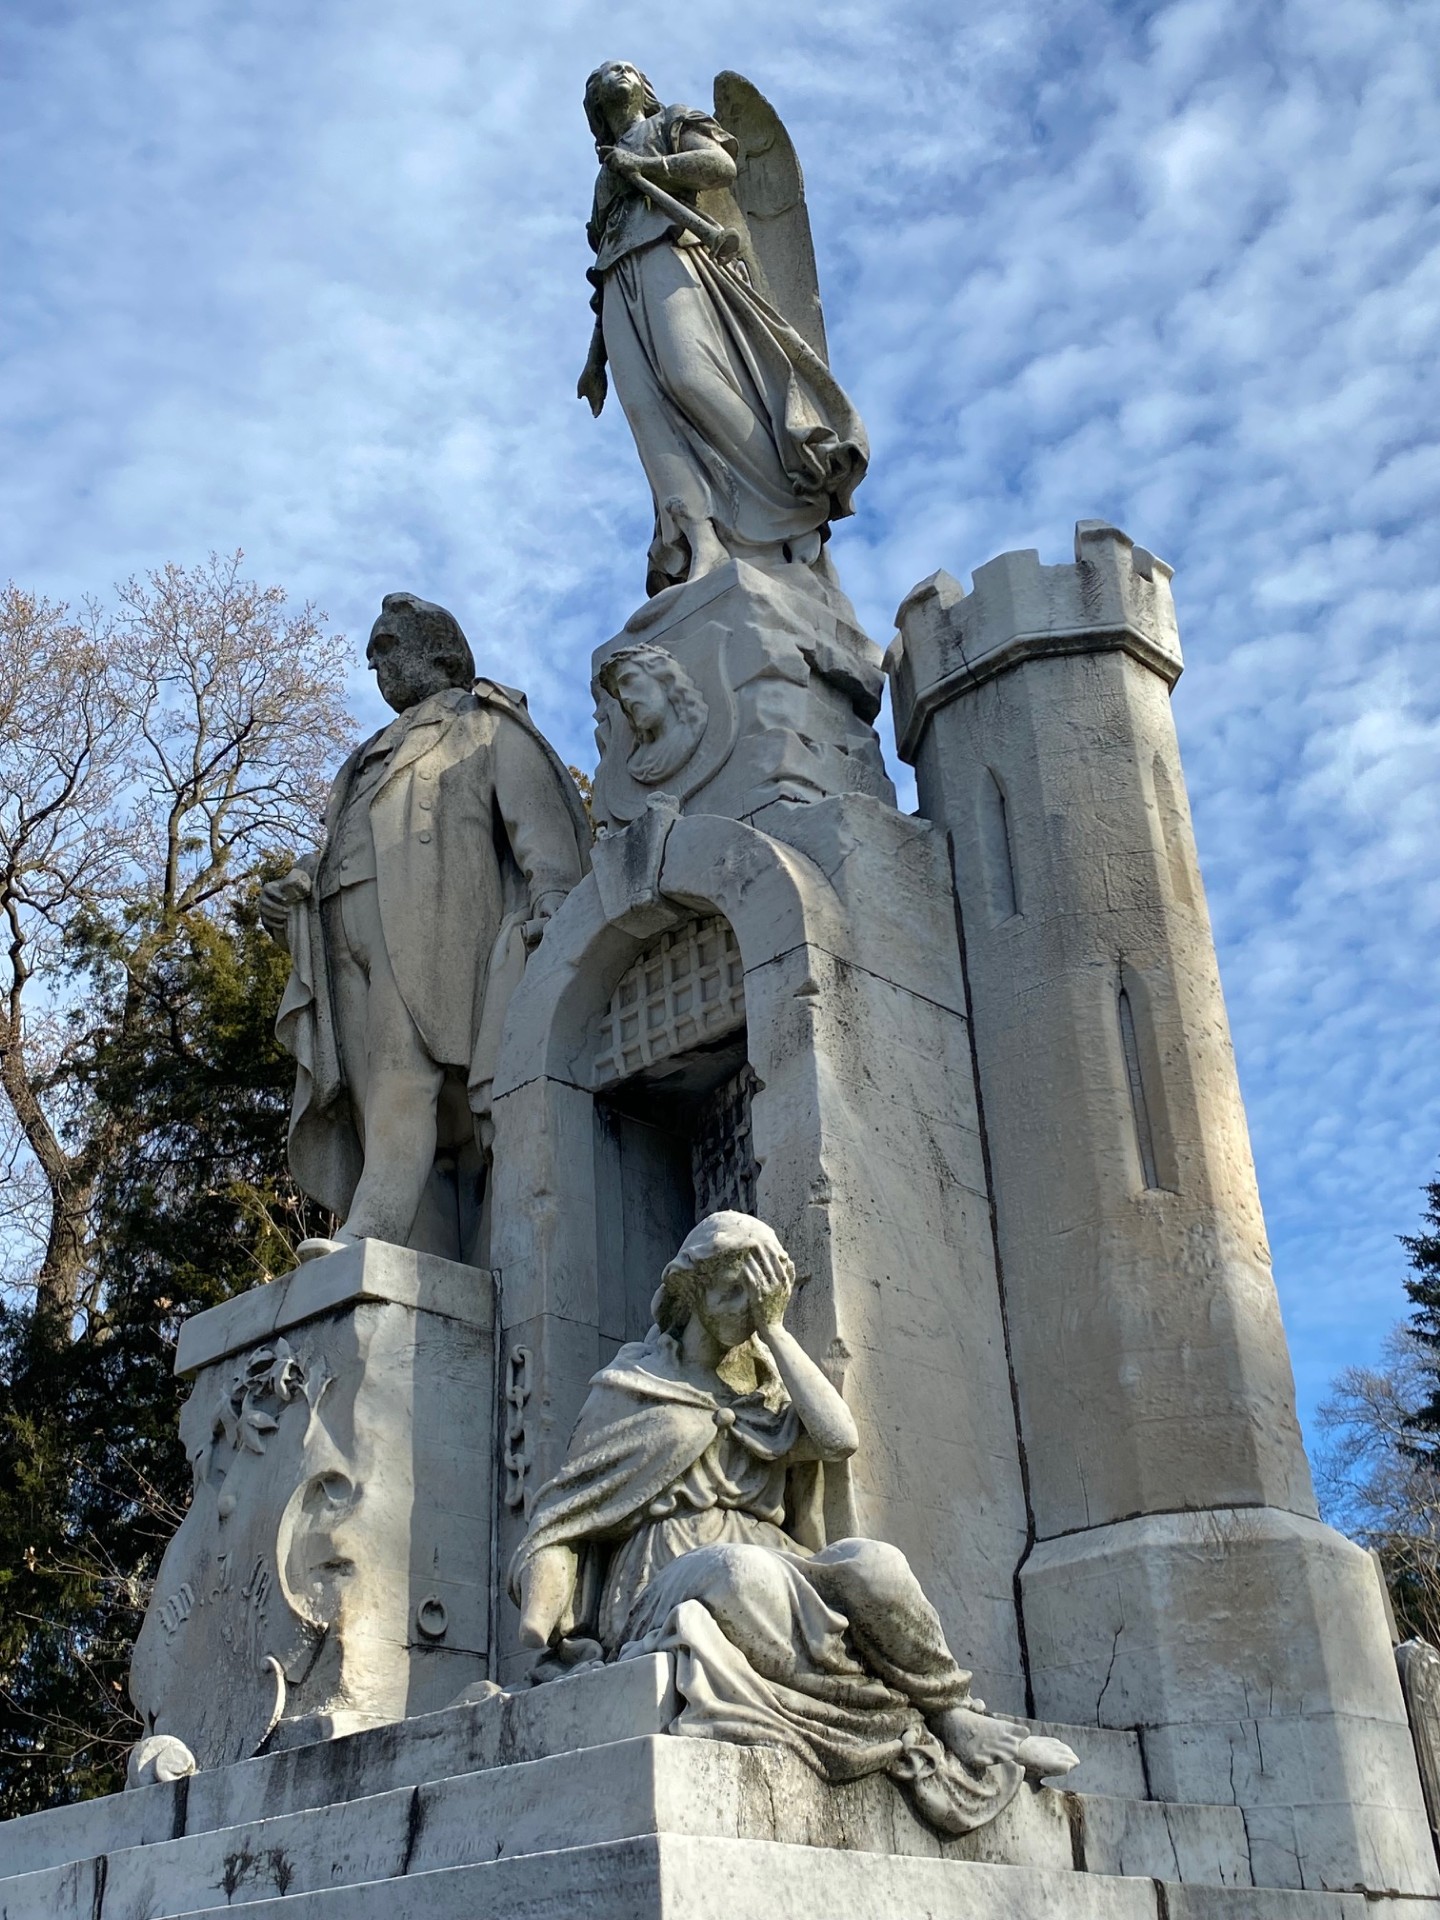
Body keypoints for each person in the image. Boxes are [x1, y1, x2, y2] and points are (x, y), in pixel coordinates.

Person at [510, 1211, 1076, 1836]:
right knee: (739, 1574)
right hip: (664, 1574)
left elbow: (839, 1438)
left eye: (760, 1296)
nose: (745, 1309)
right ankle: (901, 1722)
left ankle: (949, 1711)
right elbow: (563, 1518)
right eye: (732, 1291)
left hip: (771, 1556)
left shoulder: (770, 1396)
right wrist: (546, 1623)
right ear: (689, 1291)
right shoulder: (633, 1386)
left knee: (876, 1565)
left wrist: (775, 1330)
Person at [259, 593, 589, 1261]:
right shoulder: (365, 756)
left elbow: (538, 820)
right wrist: (294, 897)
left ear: (439, 651)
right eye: (371, 652)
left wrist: (554, 894)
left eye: (386, 647)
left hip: (431, 925)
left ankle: (372, 1227)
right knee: (366, 1099)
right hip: (339, 928)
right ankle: (412, 1256)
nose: (373, 663)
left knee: (400, 1075)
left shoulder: (484, 722)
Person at [578, 61, 868, 598]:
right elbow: (604, 260)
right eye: (598, 77)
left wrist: (648, 165)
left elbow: (719, 166)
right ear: (594, 107)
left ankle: (787, 507)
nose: (611, 74)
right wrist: (594, 362)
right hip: (619, 286)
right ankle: (699, 538)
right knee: (647, 413)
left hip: (672, 260)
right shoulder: (603, 179)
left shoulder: (670, 121)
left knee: (690, 378)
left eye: (623, 69)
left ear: (644, 88)